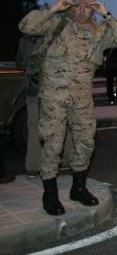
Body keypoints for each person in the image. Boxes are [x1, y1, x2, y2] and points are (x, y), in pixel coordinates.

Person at [18, 0, 117, 216]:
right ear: (71, 6)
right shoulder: (56, 23)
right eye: (78, 5)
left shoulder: (100, 31)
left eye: (88, 6)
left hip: (82, 98)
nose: (82, 10)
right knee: (53, 145)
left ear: (93, 8)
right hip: (54, 97)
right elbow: (26, 26)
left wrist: (107, 14)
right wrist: (53, 10)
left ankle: (78, 188)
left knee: (85, 142)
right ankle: (50, 194)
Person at [15, 35, 75, 176]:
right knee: (61, 121)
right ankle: (68, 158)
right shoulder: (55, 35)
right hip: (53, 87)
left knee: (33, 125)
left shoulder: (25, 39)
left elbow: (19, 63)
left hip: (32, 87)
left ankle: (33, 165)